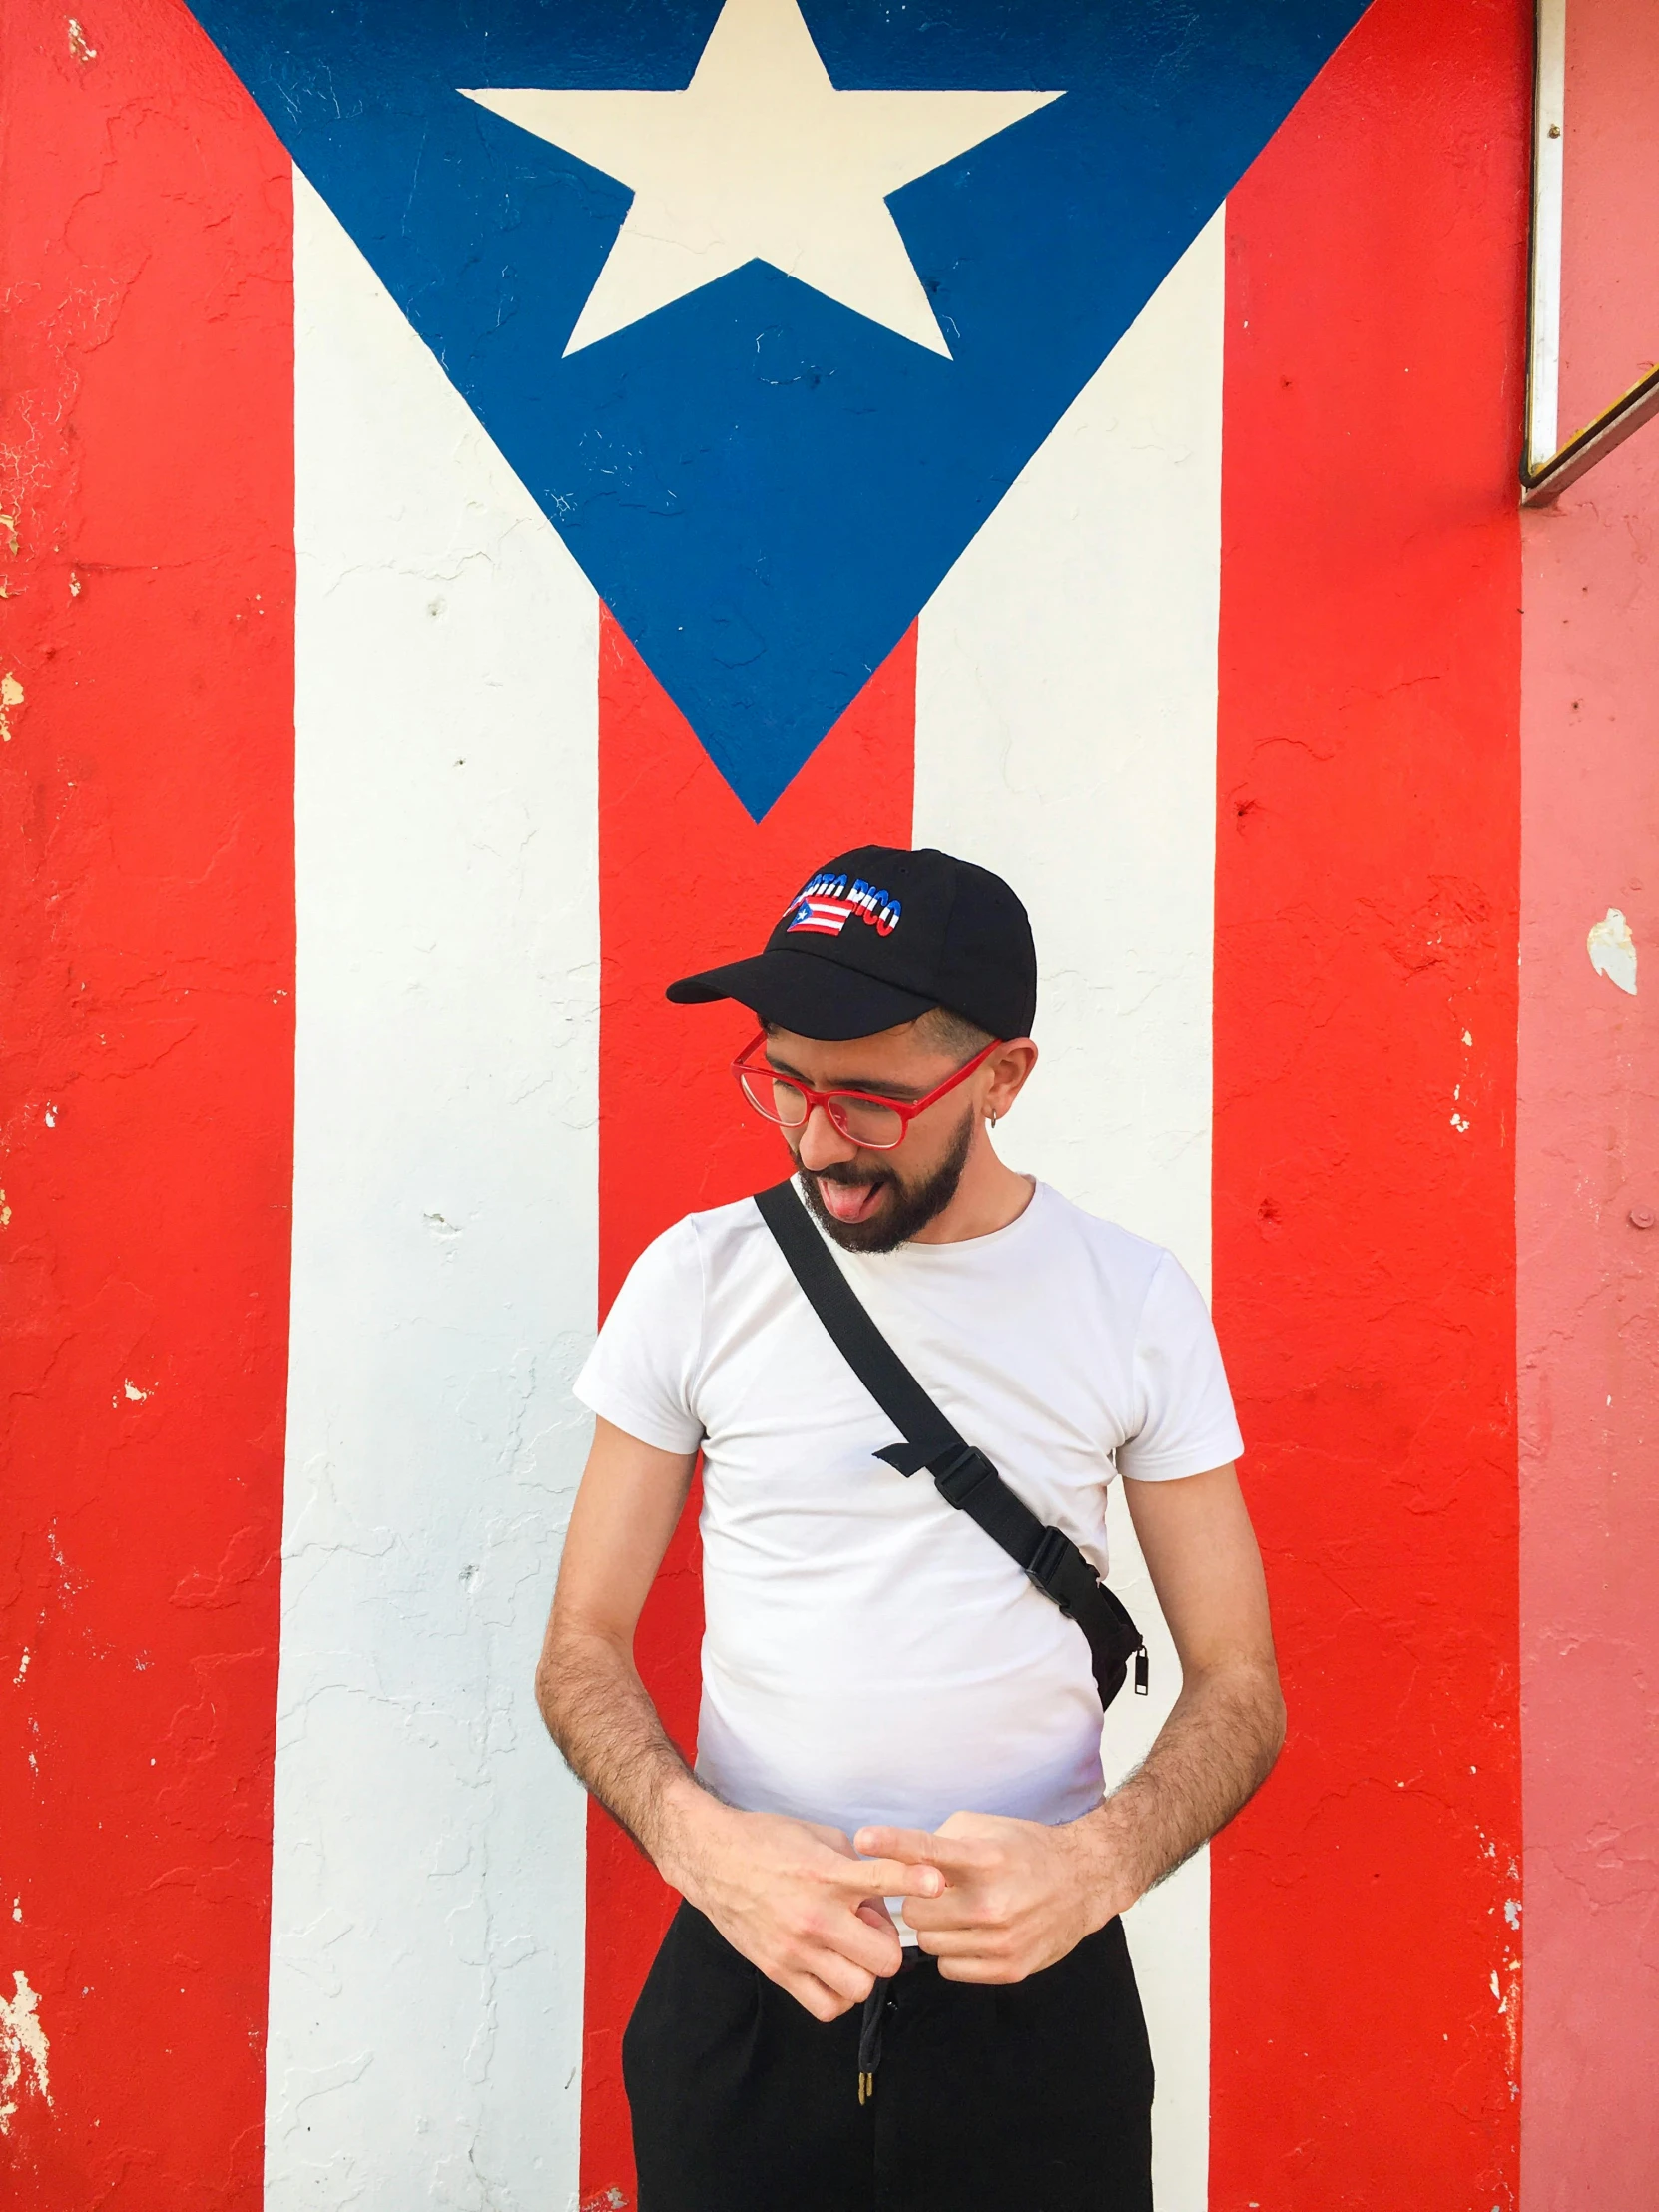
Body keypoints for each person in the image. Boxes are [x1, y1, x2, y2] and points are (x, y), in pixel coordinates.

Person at [540, 844, 1285, 2212]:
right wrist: (694, 1841)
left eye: (873, 1102)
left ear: (1002, 1079)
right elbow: (579, 1647)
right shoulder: (695, 1280)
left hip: (1030, 2005)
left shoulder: (1130, 1301)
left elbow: (1239, 1684)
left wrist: (1096, 1867)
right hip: (747, 1977)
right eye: (785, 1083)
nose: (821, 1139)